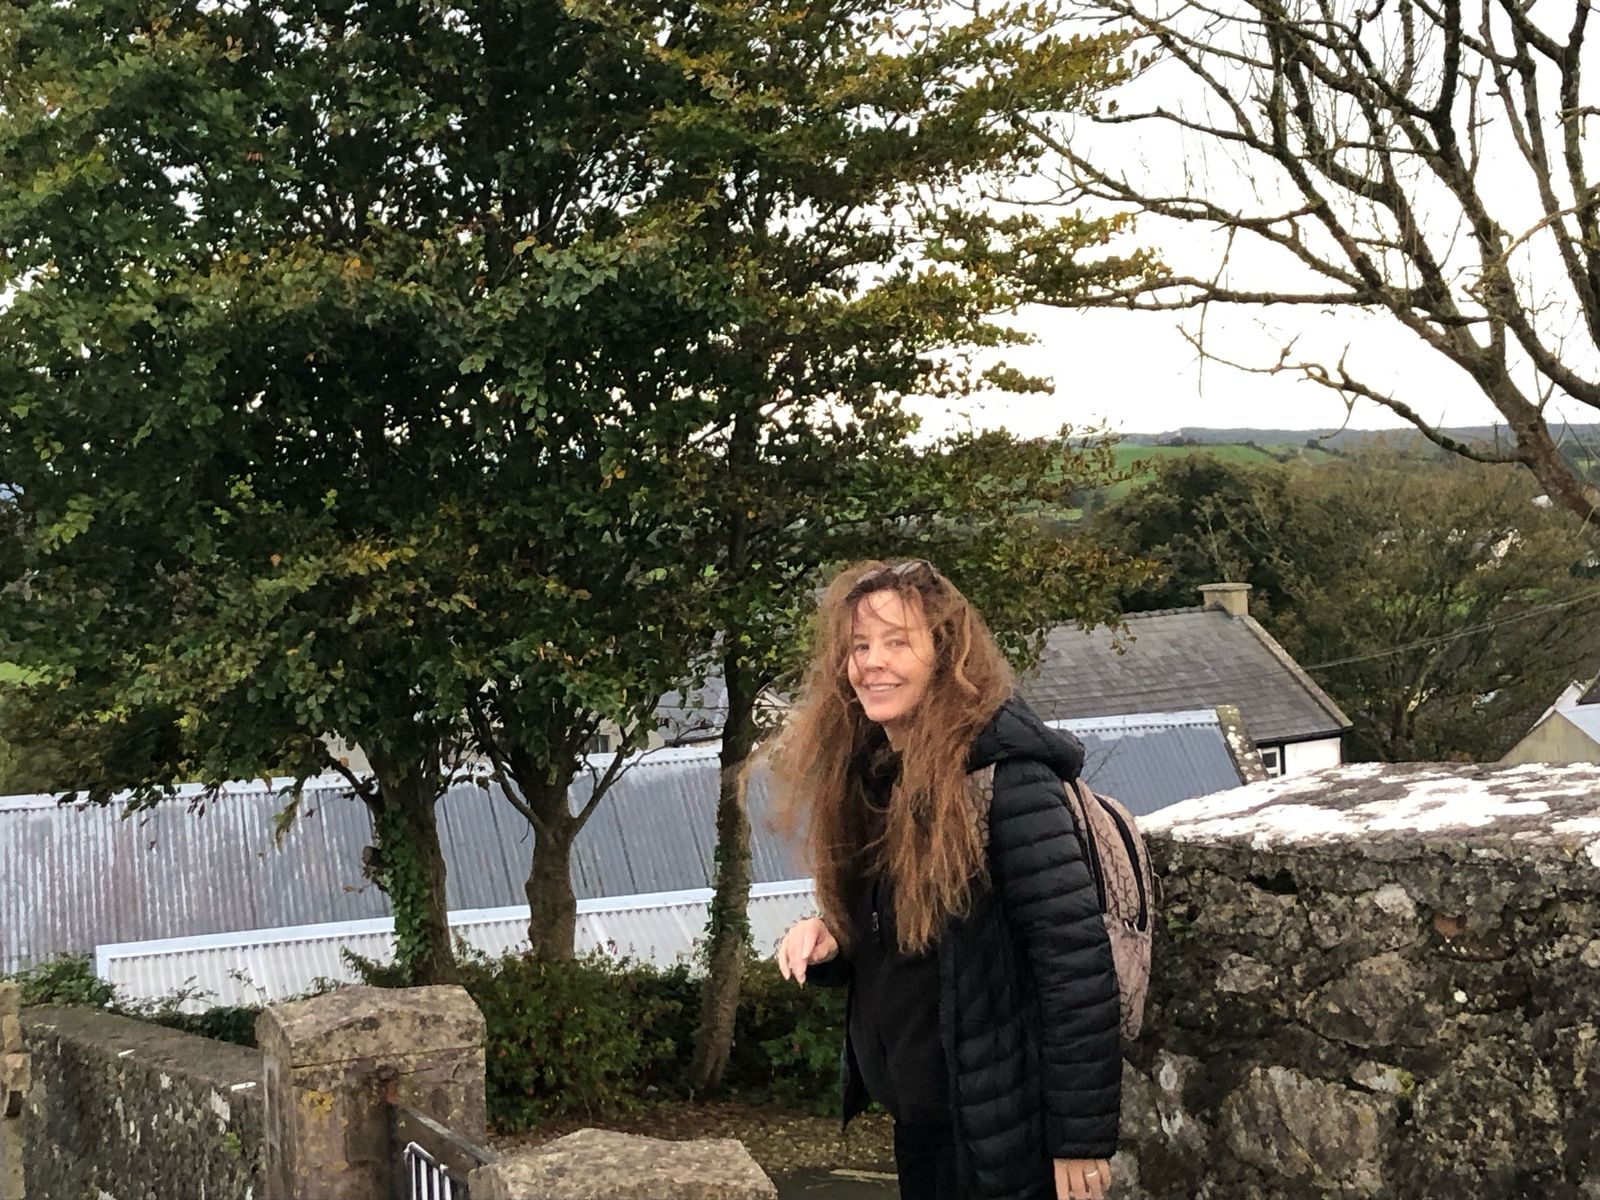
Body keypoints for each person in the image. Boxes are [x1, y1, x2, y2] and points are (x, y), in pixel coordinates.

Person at [769, 559, 1120, 1200]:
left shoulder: (1008, 779)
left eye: (897, 642)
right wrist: (832, 936)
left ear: (945, 654)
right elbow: (910, 942)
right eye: (859, 646)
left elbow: (1075, 965)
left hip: (1005, 1135)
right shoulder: (880, 777)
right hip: (924, 1123)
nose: (872, 663)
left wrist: (1080, 1138)